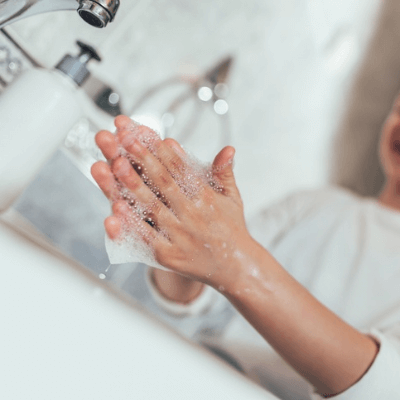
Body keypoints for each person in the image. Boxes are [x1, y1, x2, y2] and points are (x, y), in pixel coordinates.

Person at [90, 93, 400, 399]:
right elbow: (197, 293)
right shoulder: (317, 204)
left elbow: (383, 388)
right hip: (193, 374)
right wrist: (171, 234)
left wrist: (236, 263)